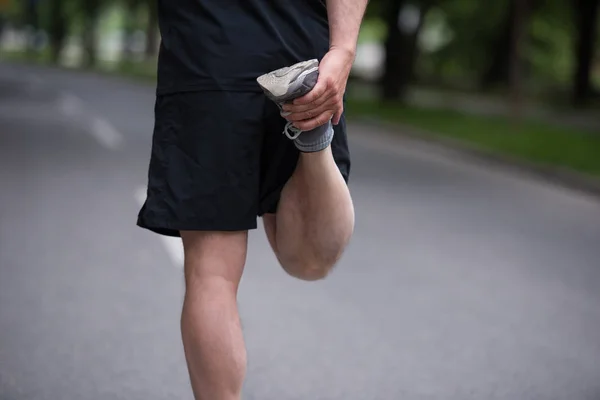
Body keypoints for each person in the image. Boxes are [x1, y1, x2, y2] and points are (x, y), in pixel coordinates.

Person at [137, 1, 369, 398]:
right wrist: (344, 49)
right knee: (309, 260)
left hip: (207, 52)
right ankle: (310, 130)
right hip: (302, 45)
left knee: (212, 274)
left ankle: (310, 129)